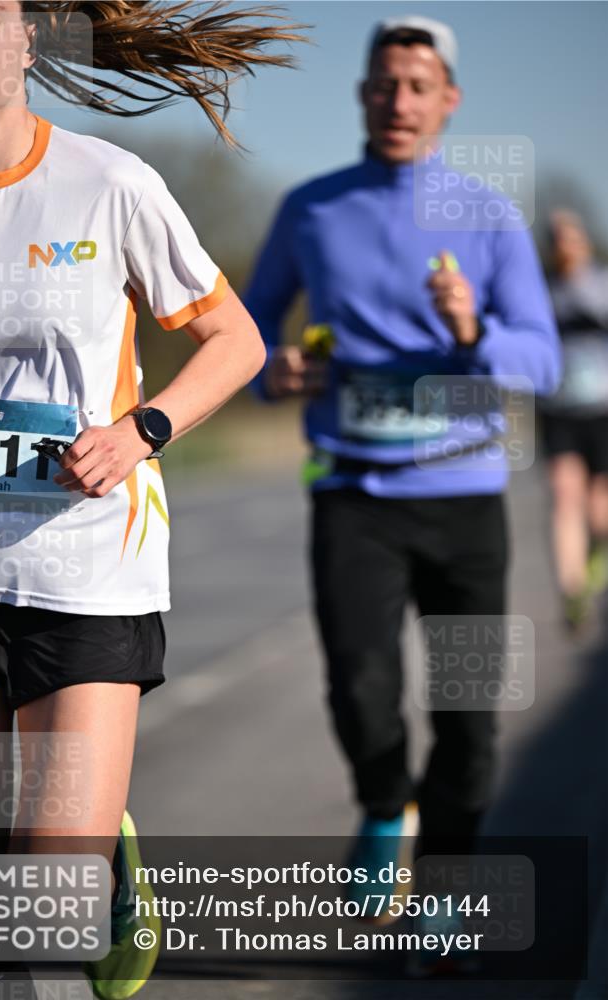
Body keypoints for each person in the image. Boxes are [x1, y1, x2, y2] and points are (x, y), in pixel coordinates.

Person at [0, 2, 302, 998]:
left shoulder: (109, 185)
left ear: (29, 39)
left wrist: (142, 429)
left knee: (44, 898)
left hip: (88, 566)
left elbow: (235, 341)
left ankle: (98, 881)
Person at [244, 14, 561, 966]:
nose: (398, 101)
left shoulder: (489, 216)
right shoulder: (312, 208)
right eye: (384, 84)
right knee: (361, 691)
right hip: (352, 492)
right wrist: (275, 371)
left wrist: (471, 333)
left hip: (464, 500)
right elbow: (246, 332)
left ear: (447, 101)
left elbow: (540, 361)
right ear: (362, 95)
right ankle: (386, 806)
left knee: (469, 718)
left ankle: (449, 880)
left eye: (418, 86)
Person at [539, 209, 608, 630]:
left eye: (571, 238)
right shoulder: (541, 292)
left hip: (603, 409)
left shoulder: (601, 286)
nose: (565, 246)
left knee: (600, 508)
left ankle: (597, 557)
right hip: (559, 410)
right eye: (557, 239)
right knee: (564, 496)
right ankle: (573, 592)